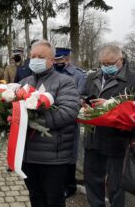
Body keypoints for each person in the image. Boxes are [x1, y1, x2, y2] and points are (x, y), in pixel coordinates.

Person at [19, 40, 80, 207]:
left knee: (54, 201)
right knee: (35, 197)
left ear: (52, 60)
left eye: (41, 56)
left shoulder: (65, 82)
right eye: (33, 56)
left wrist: (32, 121)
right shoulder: (24, 82)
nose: (35, 59)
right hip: (28, 156)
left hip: (53, 158)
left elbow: (68, 113)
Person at [83, 45, 135, 207]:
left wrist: (110, 105)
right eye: (103, 64)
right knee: (92, 181)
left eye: (109, 63)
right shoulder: (92, 77)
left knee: (116, 185)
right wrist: (84, 102)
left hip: (117, 140)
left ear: (121, 60)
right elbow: (84, 94)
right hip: (92, 138)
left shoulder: (132, 78)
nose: (105, 67)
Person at [53, 47, 87, 198]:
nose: (57, 62)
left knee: (70, 153)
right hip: (52, 119)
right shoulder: (51, 72)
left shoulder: (78, 75)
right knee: (55, 153)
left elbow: (81, 97)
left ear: (67, 59)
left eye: (60, 60)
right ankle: (57, 185)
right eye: (55, 60)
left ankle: (70, 185)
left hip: (70, 121)